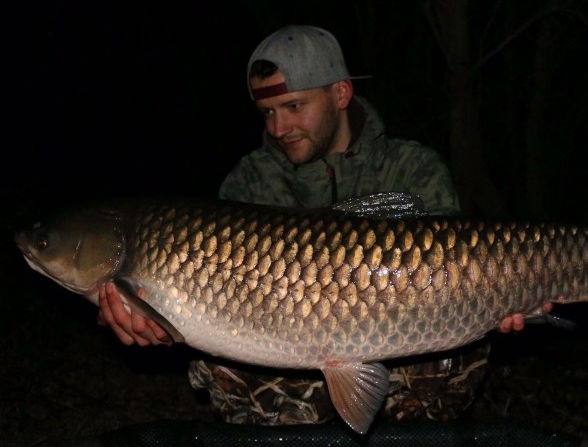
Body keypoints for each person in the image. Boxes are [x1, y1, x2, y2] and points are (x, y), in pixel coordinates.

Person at [97, 24, 529, 427]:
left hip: (406, 337)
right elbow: (209, 305)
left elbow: (453, 265)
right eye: (267, 112)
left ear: (340, 93)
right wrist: (157, 325)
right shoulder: (250, 182)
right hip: (289, 355)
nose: (278, 127)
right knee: (219, 364)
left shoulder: (412, 167)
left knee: (460, 353)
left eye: (293, 106)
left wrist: (510, 291)